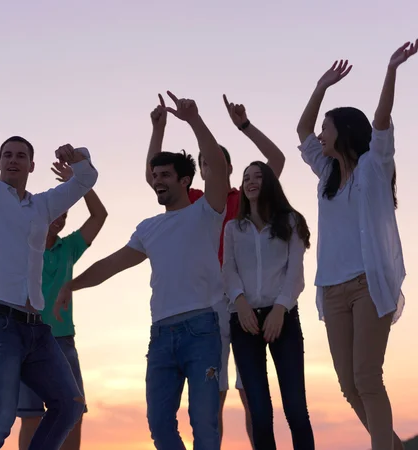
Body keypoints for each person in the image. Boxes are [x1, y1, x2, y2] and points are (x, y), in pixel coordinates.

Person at [55, 91, 229, 449]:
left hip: (202, 329)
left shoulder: (206, 212)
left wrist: (193, 119)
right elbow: (110, 265)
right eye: (155, 175)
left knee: (205, 425)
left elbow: (219, 167)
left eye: (166, 174)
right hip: (162, 335)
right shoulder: (148, 228)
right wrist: (68, 286)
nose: (158, 180)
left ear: (185, 181)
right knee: (159, 425)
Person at [0, 42, 97, 450]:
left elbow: (86, 180)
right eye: (7, 155)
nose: (13, 160)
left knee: (68, 406)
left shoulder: (43, 205)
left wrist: (79, 156)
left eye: (21, 156)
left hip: (37, 328)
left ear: (32, 165)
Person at [145, 93, 286, 447]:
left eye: (216, 164)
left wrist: (244, 126)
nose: (210, 170)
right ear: (198, 172)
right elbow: (156, 176)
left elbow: (277, 160)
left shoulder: (244, 201)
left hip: (247, 304)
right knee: (212, 398)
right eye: (204, 165)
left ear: (226, 170)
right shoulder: (191, 203)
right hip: (208, 309)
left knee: (251, 395)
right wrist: (158, 129)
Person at [296, 39, 416, 450]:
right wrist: (320, 88)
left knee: (367, 376)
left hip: (368, 284)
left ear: (343, 132)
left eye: (327, 127)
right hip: (331, 288)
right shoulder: (326, 171)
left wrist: (392, 70)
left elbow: (381, 120)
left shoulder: (374, 165)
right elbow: (301, 132)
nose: (320, 134)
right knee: (349, 385)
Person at [223, 161, 314, 449]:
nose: (250, 182)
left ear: (270, 182)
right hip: (244, 322)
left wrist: (280, 308)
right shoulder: (233, 229)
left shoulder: (290, 222)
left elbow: (295, 272)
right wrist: (240, 302)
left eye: (258, 177)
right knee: (260, 414)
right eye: (246, 177)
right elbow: (228, 271)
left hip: (283, 319)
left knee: (296, 410)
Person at [17, 161, 108, 450]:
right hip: (27, 339)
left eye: (66, 214)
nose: (61, 218)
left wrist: (79, 183)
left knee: (74, 411)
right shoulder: (21, 244)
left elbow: (99, 215)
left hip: (62, 340)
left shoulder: (68, 247)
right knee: (30, 416)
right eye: (57, 212)